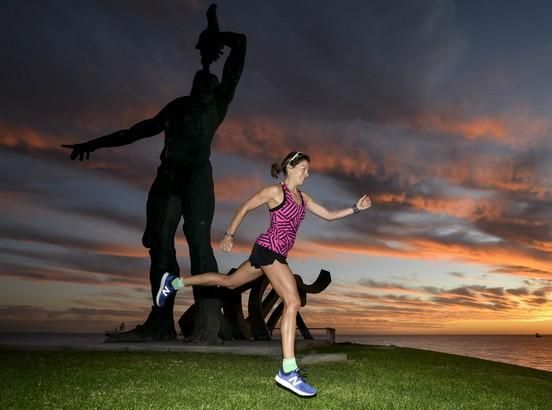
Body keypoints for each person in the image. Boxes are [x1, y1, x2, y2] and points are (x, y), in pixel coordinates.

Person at [62, 30, 246, 342]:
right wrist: (93, 144)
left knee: (198, 242)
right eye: (201, 79)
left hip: (196, 177)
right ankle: (160, 321)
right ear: (192, 84)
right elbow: (133, 132)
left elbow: (239, 45)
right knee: (159, 244)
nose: (206, 79)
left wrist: (219, 36)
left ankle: (207, 321)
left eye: (211, 81)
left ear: (216, 89)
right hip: (168, 177)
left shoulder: (217, 105)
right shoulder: (175, 107)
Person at [155, 151, 372, 397]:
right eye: (303, 168)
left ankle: (174, 282)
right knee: (292, 301)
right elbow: (246, 206)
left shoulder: (303, 198)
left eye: (308, 170)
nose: (307, 174)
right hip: (268, 249)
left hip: (276, 256)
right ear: (290, 167)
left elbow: (329, 216)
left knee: (228, 282)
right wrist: (229, 234)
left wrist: (356, 208)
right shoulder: (275, 192)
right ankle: (288, 371)